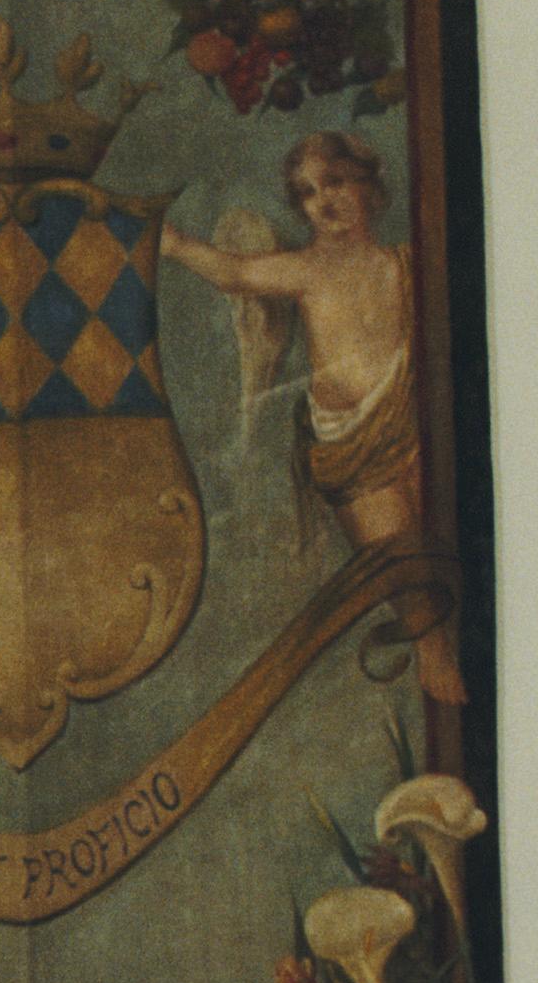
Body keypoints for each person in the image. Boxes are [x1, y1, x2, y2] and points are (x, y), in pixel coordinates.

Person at [163, 127, 464, 704]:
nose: (323, 201)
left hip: (411, 430)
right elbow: (236, 274)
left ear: (368, 187)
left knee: (440, 559)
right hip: (350, 450)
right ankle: (435, 671)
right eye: (306, 193)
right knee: (404, 574)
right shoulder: (304, 270)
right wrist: (176, 246)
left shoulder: (404, 265)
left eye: (335, 182)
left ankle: (445, 677)